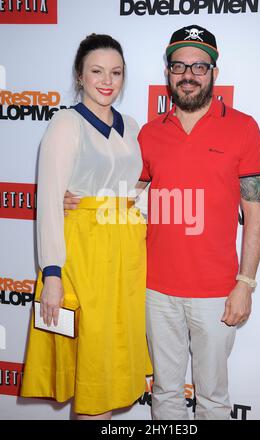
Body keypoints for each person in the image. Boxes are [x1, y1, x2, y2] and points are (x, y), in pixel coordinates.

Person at [64, 25, 260, 420]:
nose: (188, 74)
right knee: (166, 395)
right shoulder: (149, 134)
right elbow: (125, 196)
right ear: (168, 73)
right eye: (179, 66)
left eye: (199, 66)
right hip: (155, 291)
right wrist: (79, 199)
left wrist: (245, 284)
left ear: (213, 73)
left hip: (216, 292)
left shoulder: (244, 128)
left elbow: (255, 215)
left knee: (213, 399)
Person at [21, 33, 152, 420]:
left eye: (116, 72)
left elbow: (132, 183)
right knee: (92, 376)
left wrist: (135, 203)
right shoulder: (65, 123)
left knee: (113, 375)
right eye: (96, 71)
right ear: (80, 75)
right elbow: (48, 202)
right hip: (83, 258)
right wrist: (53, 274)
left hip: (125, 260)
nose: (107, 80)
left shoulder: (130, 125)